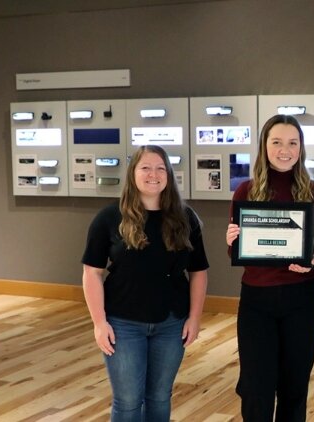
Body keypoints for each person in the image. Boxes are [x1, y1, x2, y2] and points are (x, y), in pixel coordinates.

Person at [82, 145, 209, 421]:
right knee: (127, 401)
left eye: (160, 168)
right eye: (146, 168)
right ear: (133, 174)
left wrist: (195, 317)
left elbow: (198, 272)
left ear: (169, 175)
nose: (154, 174)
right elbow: (92, 273)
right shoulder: (109, 218)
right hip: (123, 324)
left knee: (160, 397)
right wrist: (99, 322)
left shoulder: (186, 219)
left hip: (171, 322)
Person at [225, 114, 314, 421]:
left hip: (302, 300)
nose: (284, 149)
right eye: (276, 142)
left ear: (301, 148)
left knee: (294, 388)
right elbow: (236, 250)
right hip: (256, 303)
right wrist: (232, 241)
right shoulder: (245, 191)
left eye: (292, 143)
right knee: (256, 389)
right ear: (264, 146)